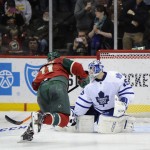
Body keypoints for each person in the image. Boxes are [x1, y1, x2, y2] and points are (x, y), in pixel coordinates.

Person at [21, 51, 89, 141]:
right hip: (57, 86)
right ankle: (40, 118)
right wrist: (83, 77)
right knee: (64, 119)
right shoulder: (60, 60)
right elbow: (77, 66)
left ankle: (29, 132)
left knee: (48, 113)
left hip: (41, 90)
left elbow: (34, 85)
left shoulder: (43, 67)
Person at [71, 60, 135, 133]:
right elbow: (83, 101)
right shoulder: (89, 85)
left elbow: (126, 91)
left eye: (92, 68)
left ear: (99, 68)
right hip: (97, 110)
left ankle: (124, 120)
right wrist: (75, 113)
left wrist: (124, 102)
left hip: (113, 109)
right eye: (90, 69)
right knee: (98, 121)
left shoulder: (115, 77)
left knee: (104, 124)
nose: (90, 71)